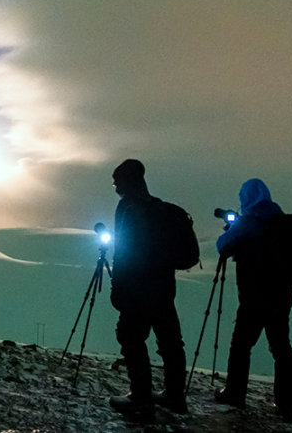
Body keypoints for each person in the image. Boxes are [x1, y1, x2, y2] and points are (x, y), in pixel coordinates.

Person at [214, 178, 292, 422]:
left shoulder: (249, 223)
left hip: (254, 296)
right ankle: (288, 401)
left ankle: (234, 392)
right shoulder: (280, 219)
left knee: (241, 345)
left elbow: (223, 247)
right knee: (281, 347)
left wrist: (232, 228)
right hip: (282, 296)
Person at [108, 159, 188, 417]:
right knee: (171, 343)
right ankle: (175, 396)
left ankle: (140, 398)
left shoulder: (127, 209)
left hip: (136, 290)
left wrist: (117, 288)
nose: (116, 187)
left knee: (131, 340)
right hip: (164, 289)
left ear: (126, 182)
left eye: (116, 182)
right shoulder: (162, 210)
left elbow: (123, 252)